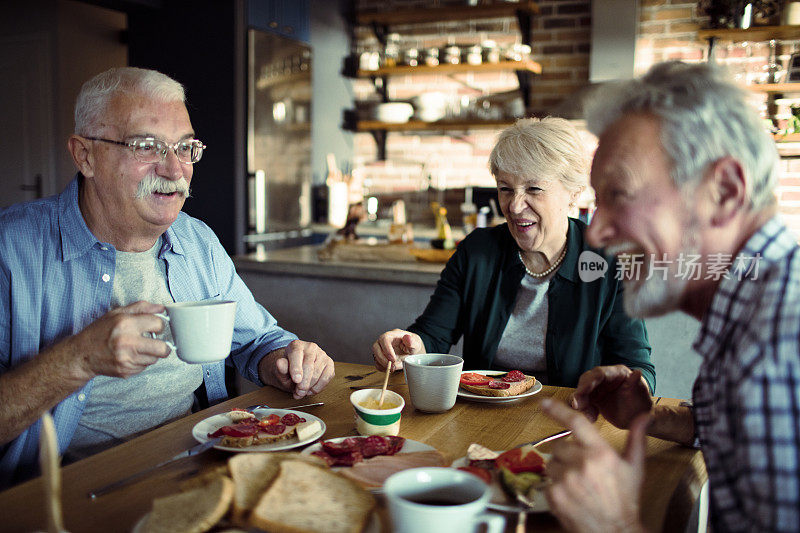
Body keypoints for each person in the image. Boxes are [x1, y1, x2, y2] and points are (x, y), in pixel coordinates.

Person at [0, 67, 334, 488]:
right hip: (66, 495)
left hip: (201, 468)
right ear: (85, 156)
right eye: (146, 146)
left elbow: (256, 340)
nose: (175, 170)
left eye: (185, 148)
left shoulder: (197, 241)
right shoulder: (10, 250)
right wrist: (78, 359)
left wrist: (286, 361)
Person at [541, 61, 800, 532]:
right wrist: (652, 415)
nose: (595, 233)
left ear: (724, 191)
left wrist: (616, 524)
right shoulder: (762, 304)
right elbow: (739, 429)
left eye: (619, 194)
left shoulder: (775, 349)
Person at [371, 117, 655, 391]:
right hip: (484, 414)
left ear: (574, 193)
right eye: (505, 189)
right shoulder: (477, 251)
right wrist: (409, 346)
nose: (515, 206)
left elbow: (635, 366)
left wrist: (628, 389)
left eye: (534, 189)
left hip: (570, 419)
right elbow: (433, 336)